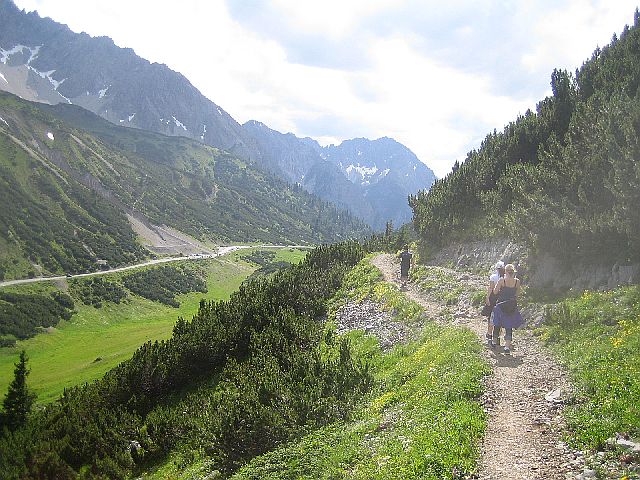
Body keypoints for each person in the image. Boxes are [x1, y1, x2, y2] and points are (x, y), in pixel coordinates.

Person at [491, 263, 524, 354]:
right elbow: (518, 293)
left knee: (497, 323)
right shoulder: (517, 281)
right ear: (513, 272)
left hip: (501, 304)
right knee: (509, 325)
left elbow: (495, 291)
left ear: (505, 271)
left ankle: (494, 342)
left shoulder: (502, 280)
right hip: (511, 305)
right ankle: (507, 347)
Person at [483, 261, 505, 346]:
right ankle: (497, 336)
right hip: (502, 299)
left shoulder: (493, 277)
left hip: (493, 298)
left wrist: (487, 297)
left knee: (491, 317)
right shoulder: (505, 278)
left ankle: (489, 334)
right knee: (499, 318)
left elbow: (491, 288)